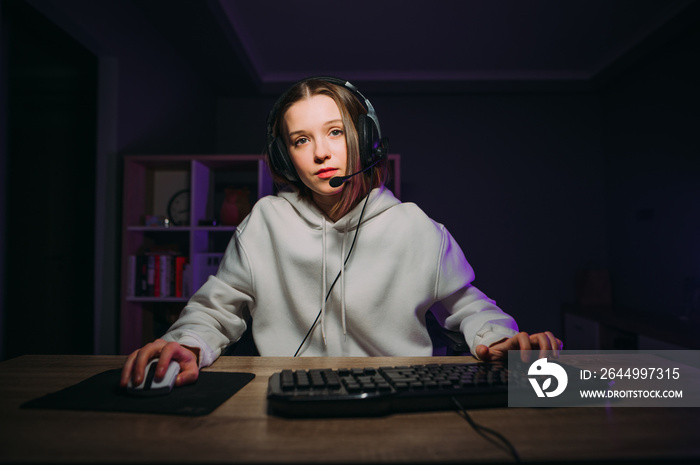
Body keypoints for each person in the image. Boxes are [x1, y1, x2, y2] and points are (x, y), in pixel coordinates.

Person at [121, 77, 562, 389]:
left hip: (401, 398)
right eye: (300, 140)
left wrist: (500, 339)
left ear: (363, 139)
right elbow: (215, 311)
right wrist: (184, 345)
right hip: (286, 397)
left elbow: (468, 308)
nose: (321, 153)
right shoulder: (264, 223)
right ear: (286, 155)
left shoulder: (415, 227)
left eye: (334, 132)